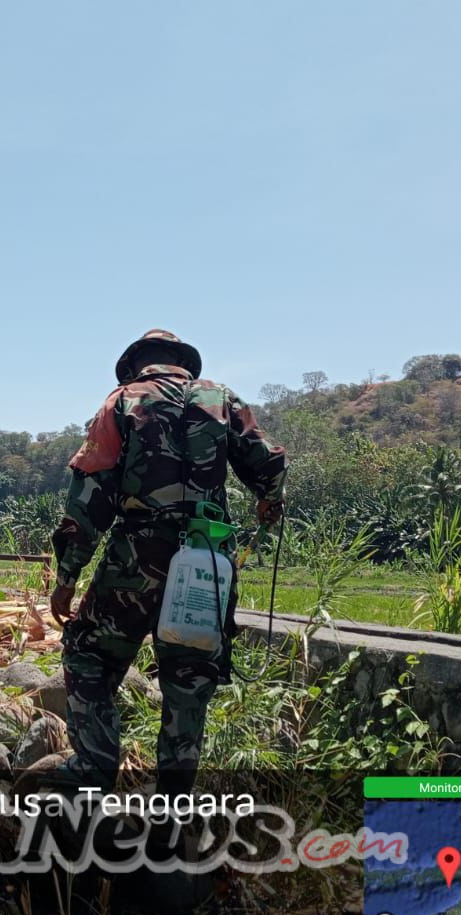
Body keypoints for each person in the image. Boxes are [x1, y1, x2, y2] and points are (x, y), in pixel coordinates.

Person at [49, 330, 286, 795]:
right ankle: (174, 807)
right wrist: (268, 502)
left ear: (137, 365)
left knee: (89, 655)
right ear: (181, 363)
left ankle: (95, 772)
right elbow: (270, 464)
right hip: (206, 561)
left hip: (136, 560)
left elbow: (89, 500)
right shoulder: (222, 399)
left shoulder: (121, 403)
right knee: (189, 682)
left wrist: (67, 577)